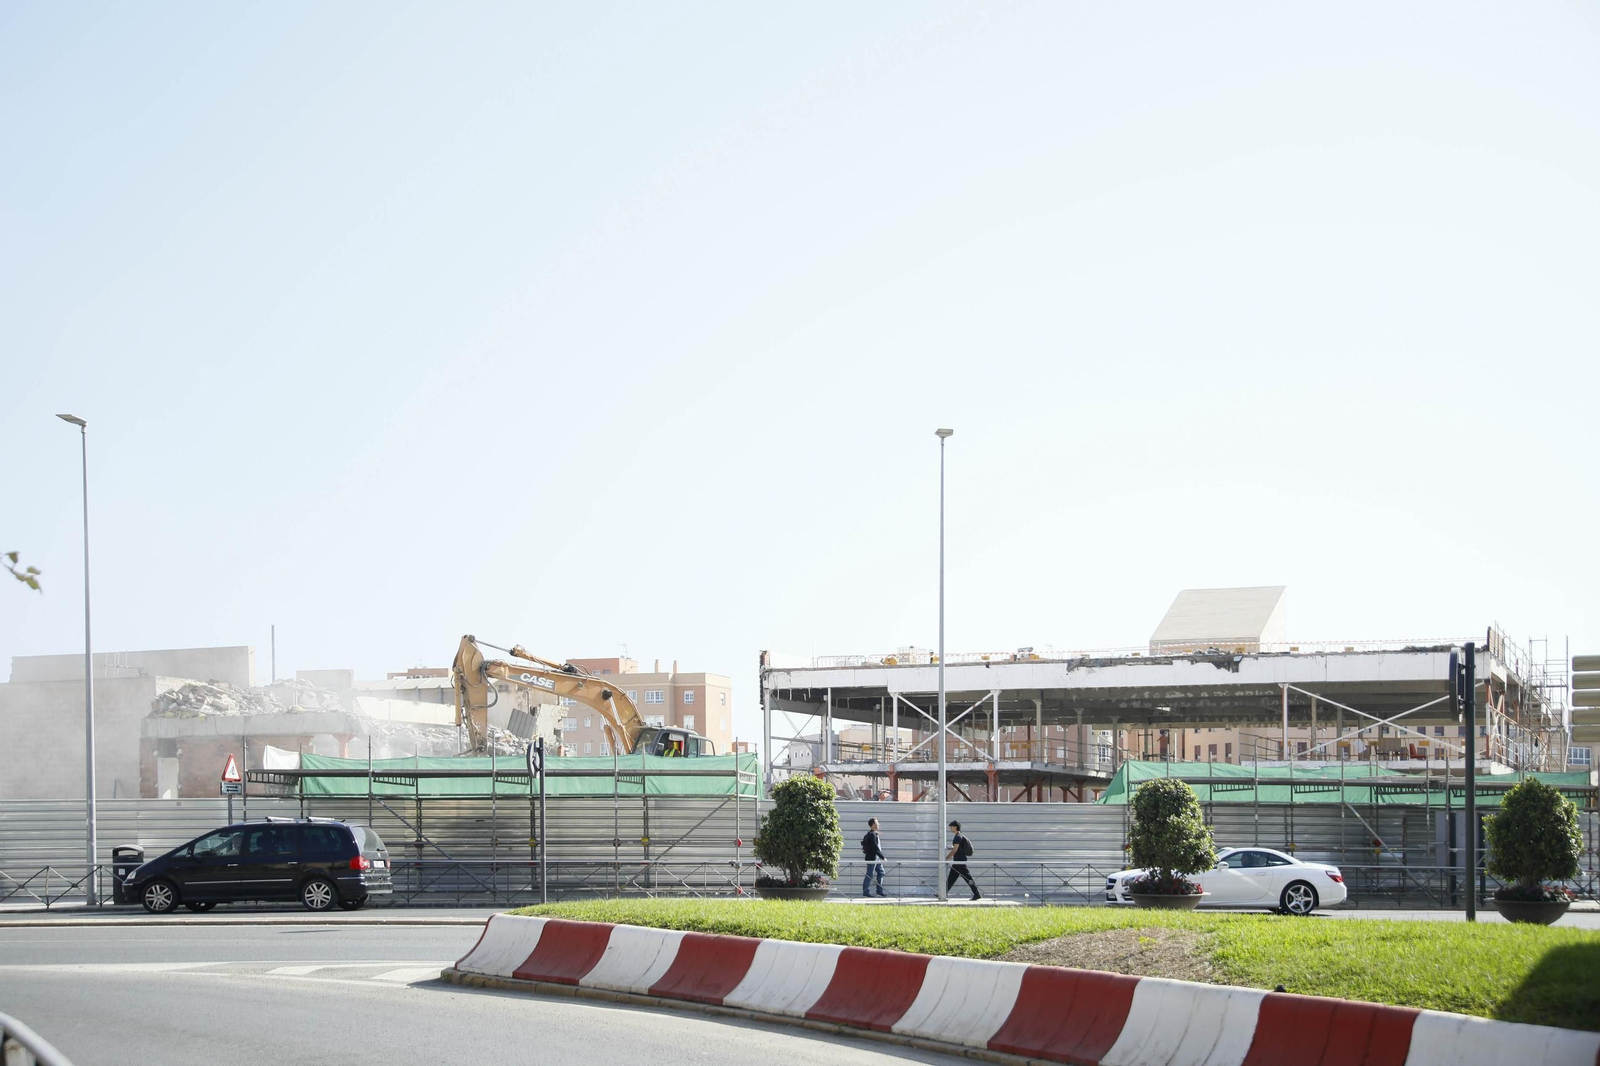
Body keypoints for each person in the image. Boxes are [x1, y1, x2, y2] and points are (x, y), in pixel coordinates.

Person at [945, 820, 981, 900]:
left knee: (968, 879)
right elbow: (957, 849)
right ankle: (942, 894)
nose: (950, 828)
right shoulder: (959, 836)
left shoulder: (957, 837)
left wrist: (946, 858)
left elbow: (955, 850)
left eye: (951, 827)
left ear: (955, 827)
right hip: (959, 861)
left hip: (959, 862)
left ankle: (977, 894)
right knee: (951, 879)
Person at [860, 818, 887, 898]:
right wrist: (883, 857)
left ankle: (879, 891)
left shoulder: (874, 834)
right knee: (869, 874)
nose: (879, 824)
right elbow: (875, 847)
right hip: (872, 858)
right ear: (873, 825)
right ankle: (865, 892)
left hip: (877, 858)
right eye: (877, 823)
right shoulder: (872, 834)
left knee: (881, 872)